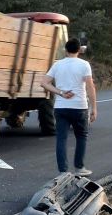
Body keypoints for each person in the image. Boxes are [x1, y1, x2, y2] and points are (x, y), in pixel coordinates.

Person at [40, 38, 97, 176]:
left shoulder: (57, 65)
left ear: (65, 50)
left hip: (61, 107)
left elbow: (44, 82)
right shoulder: (84, 65)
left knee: (61, 138)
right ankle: (79, 168)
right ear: (79, 50)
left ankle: (63, 171)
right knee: (81, 136)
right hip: (79, 107)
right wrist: (93, 107)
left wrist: (60, 92)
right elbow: (90, 86)